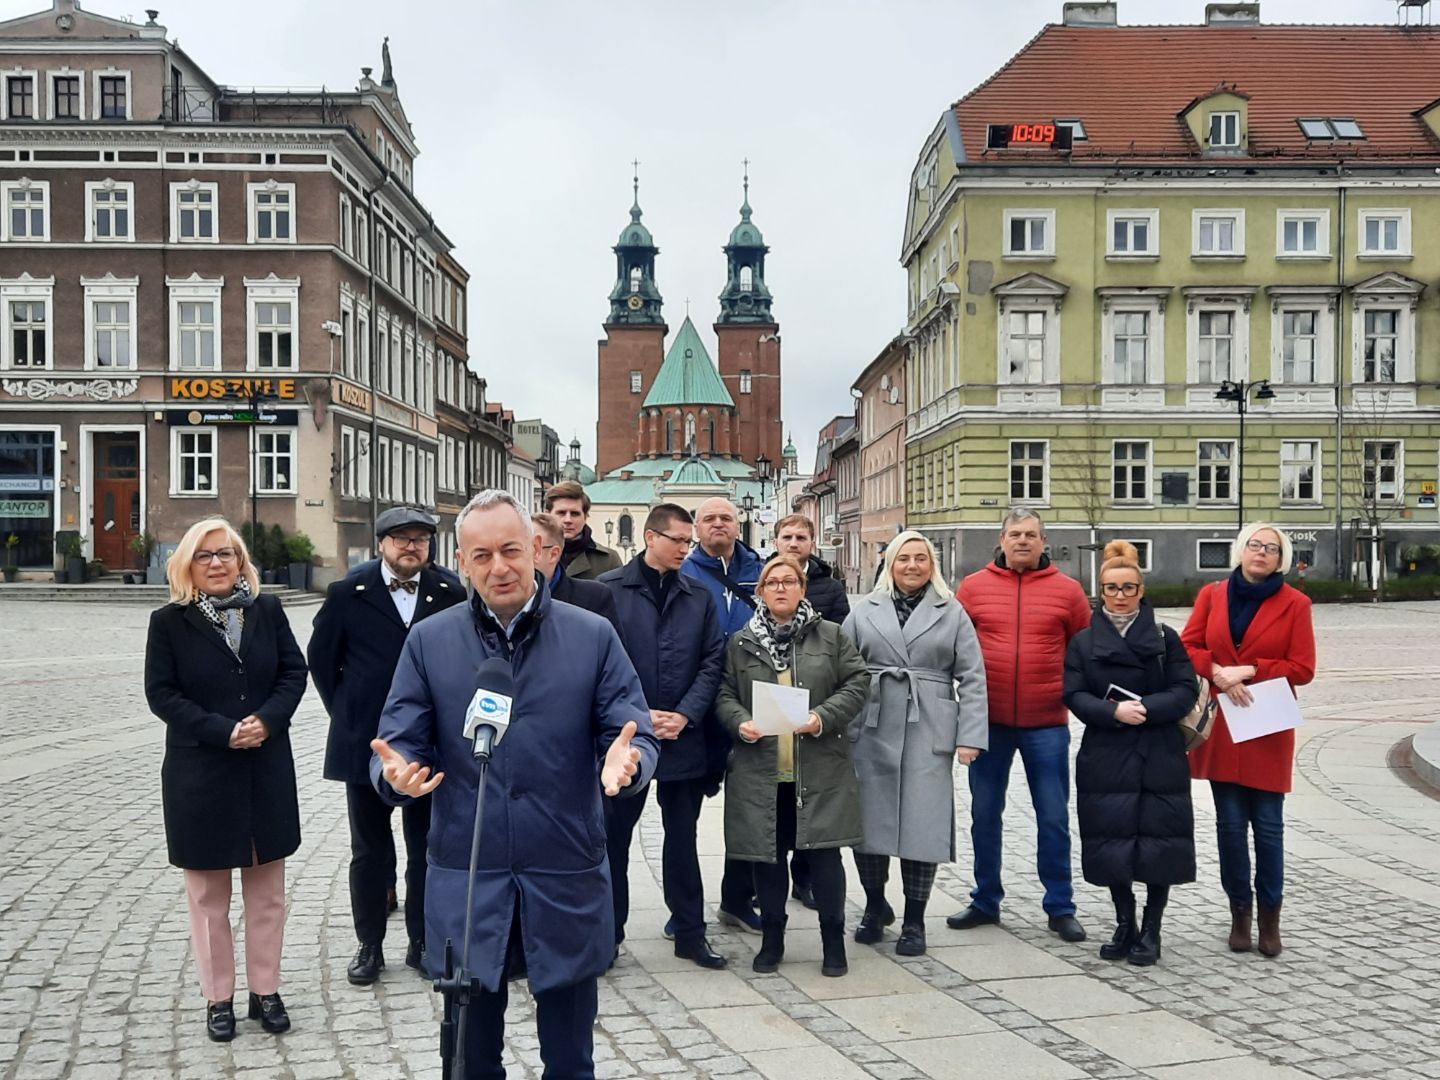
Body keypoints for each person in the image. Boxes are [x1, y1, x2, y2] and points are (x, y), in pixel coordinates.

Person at [370, 489, 659, 1077]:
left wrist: (627, 765)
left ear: (535, 549)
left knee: (571, 1061)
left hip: (564, 868)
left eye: (509, 550)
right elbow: (397, 739)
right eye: (481, 556)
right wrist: (394, 774)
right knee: (471, 1061)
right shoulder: (429, 641)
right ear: (460, 561)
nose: (497, 567)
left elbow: (635, 732)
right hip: (469, 875)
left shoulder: (592, 635)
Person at [143, 517, 307, 1042]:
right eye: (205, 555)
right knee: (208, 898)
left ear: (241, 561)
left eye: (227, 553)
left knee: (268, 894)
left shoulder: (268, 610)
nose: (217, 563)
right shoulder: (168, 622)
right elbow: (162, 695)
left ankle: (267, 990)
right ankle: (219, 998)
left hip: (264, 767)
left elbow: (292, 672)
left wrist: (269, 719)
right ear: (187, 565)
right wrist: (222, 731)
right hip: (201, 772)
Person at [308, 506, 465, 986]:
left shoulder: (449, 593)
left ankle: (421, 942)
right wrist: (350, 715)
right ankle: (369, 945)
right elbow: (321, 661)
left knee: (426, 848)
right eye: (401, 539)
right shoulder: (348, 593)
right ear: (381, 544)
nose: (411, 547)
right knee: (370, 850)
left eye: (420, 539)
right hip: (366, 745)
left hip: (429, 745)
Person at [716, 555, 869, 976]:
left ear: (802, 588)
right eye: (772, 582)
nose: (780, 588)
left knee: (823, 858)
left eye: (789, 581)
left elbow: (857, 683)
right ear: (760, 592)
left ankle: (832, 941)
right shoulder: (742, 641)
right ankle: (773, 939)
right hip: (762, 771)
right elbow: (724, 694)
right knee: (768, 858)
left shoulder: (832, 636)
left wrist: (823, 717)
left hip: (818, 768)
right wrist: (739, 721)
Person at [948, 508, 1093, 942]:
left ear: (1044, 542)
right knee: (984, 814)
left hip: (1046, 722)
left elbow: (1084, 651)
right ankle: (985, 899)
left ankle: (1060, 905)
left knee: (1052, 816)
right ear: (1002, 539)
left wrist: (1067, 692)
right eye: (1016, 534)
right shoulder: (973, 589)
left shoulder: (1068, 592)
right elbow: (956, 651)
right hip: (987, 723)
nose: (1024, 541)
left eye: (1032, 535)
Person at [842, 531, 988, 956]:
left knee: (922, 825)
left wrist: (970, 737)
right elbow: (845, 669)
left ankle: (914, 921)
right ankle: (874, 906)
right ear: (889, 563)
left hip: (928, 724)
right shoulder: (864, 610)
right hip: (872, 721)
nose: (912, 566)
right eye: (903, 558)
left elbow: (973, 678)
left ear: (932, 564)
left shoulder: (952, 611)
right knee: (870, 823)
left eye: (920, 558)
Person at [598, 503, 727, 968]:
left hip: (682, 737)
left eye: (689, 542)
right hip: (625, 740)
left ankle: (690, 932)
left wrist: (686, 714)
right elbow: (599, 664)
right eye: (678, 541)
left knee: (682, 839)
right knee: (613, 839)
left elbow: (714, 661)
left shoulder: (698, 595)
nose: (685, 549)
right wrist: (636, 715)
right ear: (651, 537)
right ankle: (607, 934)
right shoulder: (608, 592)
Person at [1181, 523, 1315, 958]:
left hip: (1267, 725)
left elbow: (1303, 668)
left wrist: (1253, 669)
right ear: (1241, 550)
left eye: (1271, 549)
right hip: (1224, 724)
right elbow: (1187, 647)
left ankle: (1270, 919)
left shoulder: (1296, 604)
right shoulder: (1212, 595)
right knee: (1230, 827)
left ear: (1282, 558)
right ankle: (1240, 913)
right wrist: (1218, 670)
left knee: (1270, 830)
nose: (1261, 553)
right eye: (1255, 545)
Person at [1063, 541, 1198, 966]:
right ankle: (1125, 922)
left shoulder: (1164, 637)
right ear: (1099, 592)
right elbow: (1073, 692)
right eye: (1111, 588)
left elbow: (1185, 688)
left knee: (1160, 843)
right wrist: (1113, 711)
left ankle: (1152, 928)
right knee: (1111, 841)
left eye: (1128, 588)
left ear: (1141, 590)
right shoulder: (1085, 642)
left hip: (1158, 751)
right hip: (1107, 751)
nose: (1119, 596)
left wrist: (1147, 709)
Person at [682, 496, 767, 932]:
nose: (718, 524)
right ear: (697, 529)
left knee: (751, 807)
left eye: (726, 518)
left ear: (739, 525)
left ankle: (737, 898)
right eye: (709, 518)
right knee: (684, 817)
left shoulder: (760, 572)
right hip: (697, 702)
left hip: (748, 704)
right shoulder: (683, 573)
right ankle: (685, 914)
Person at [772, 513, 850, 908]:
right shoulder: (764, 575)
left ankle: (804, 879)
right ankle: (764, 882)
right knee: (775, 800)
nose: (794, 542)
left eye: (801, 537)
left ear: (812, 542)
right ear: (776, 539)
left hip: (816, 701)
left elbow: (841, 641)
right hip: (771, 699)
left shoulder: (831, 587)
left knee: (810, 798)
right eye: (787, 536)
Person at [532, 511, 623, 637]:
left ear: (554, 554)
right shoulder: (504, 598)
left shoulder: (594, 598)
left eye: (531, 549)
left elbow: (610, 653)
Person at [774, 513, 850, 624]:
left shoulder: (833, 589)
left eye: (801, 538)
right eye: (787, 537)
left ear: (812, 545)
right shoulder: (759, 583)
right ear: (775, 543)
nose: (793, 544)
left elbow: (840, 637)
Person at [545, 480, 622, 580]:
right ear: (547, 515)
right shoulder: (532, 555)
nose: (568, 520)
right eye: (561, 513)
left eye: (575, 514)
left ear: (585, 517)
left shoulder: (608, 560)